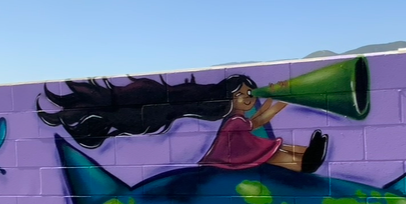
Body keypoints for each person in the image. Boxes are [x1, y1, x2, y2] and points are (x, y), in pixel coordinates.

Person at [38, 73, 328, 173]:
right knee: (272, 153)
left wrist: (280, 102)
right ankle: (305, 161)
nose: (249, 98)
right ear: (229, 99)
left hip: (238, 149)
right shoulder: (234, 123)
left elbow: (258, 120)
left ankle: (307, 156)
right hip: (231, 156)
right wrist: (280, 103)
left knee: (275, 146)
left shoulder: (237, 120)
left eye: (249, 93)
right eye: (243, 95)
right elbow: (258, 122)